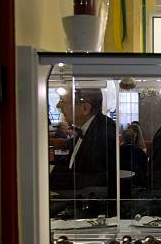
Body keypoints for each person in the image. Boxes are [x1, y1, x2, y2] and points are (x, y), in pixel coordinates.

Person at [50, 88, 117, 218]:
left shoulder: (102, 132)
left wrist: (52, 172)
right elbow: (77, 167)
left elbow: (95, 180)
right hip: (80, 205)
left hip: (93, 212)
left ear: (85, 108)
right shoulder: (92, 128)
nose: (58, 106)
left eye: (62, 101)